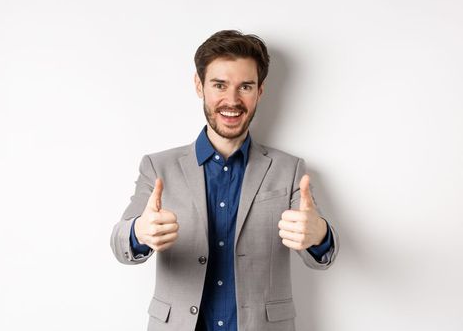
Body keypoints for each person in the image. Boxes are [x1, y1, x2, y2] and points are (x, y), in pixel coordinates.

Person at [109, 30, 339, 331]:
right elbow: (119, 245)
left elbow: (321, 257)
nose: (232, 100)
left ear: (260, 91)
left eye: (245, 86)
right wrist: (139, 232)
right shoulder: (158, 166)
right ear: (199, 85)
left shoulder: (290, 169)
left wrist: (319, 234)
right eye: (219, 85)